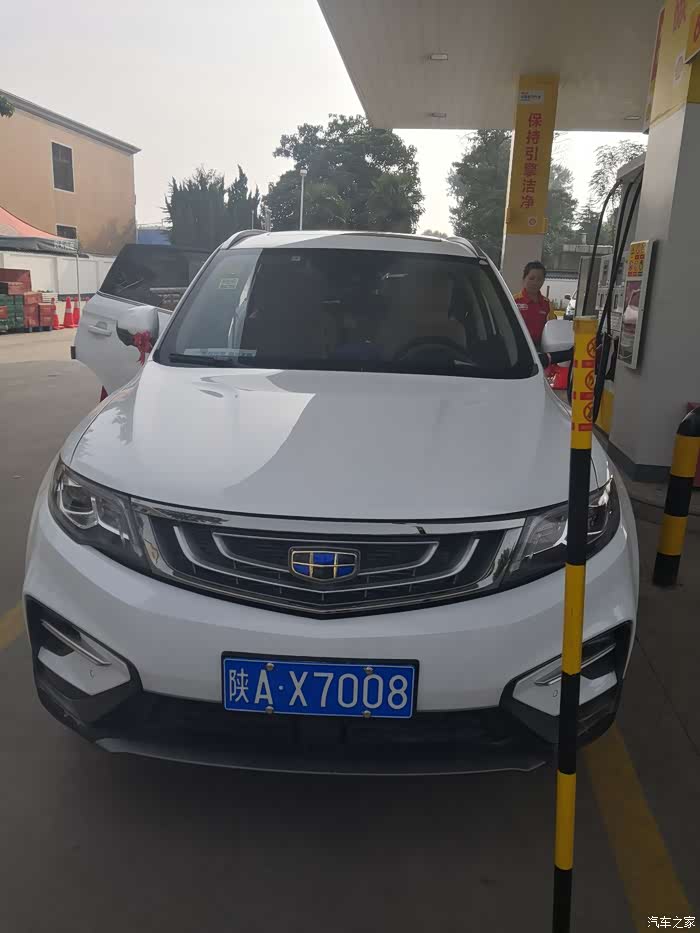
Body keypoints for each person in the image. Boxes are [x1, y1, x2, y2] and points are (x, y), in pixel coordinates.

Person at [514, 261, 555, 347]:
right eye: (531, 278)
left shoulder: (547, 304)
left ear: (543, 281)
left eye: (539, 279)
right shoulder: (514, 301)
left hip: (540, 350)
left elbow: (552, 330)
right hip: (518, 347)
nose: (535, 282)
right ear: (524, 278)